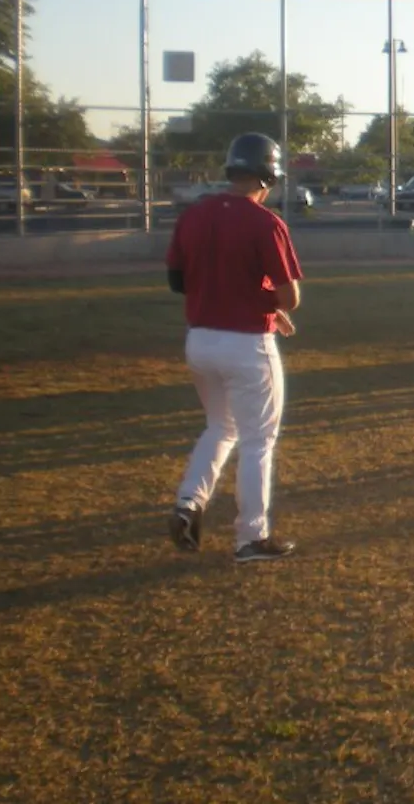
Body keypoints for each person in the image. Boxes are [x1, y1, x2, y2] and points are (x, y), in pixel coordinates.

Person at [165, 132, 302, 564]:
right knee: (258, 441)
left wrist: (241, 298)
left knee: (219, 428)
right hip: (247, 344)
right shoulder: (265, 221)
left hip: (200, 339)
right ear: (268, 174)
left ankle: (189, 502)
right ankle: (250, 538)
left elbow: (177, 281)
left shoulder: (196, 214)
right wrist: (263, 304)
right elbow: (289, 296)